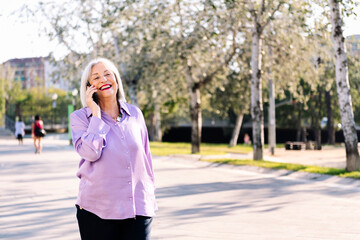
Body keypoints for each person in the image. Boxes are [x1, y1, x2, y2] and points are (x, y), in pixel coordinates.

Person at [70, 58, 157, 240]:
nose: (103, 79)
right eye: (96, 77)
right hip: (97, 211)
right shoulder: (80, 118)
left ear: (116, 80)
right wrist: (96, 115)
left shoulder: (135, 114)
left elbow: (146, 158)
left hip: (138, 207)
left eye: (108, 74)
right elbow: (91, 153)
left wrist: (149, 194)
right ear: (89, 87)